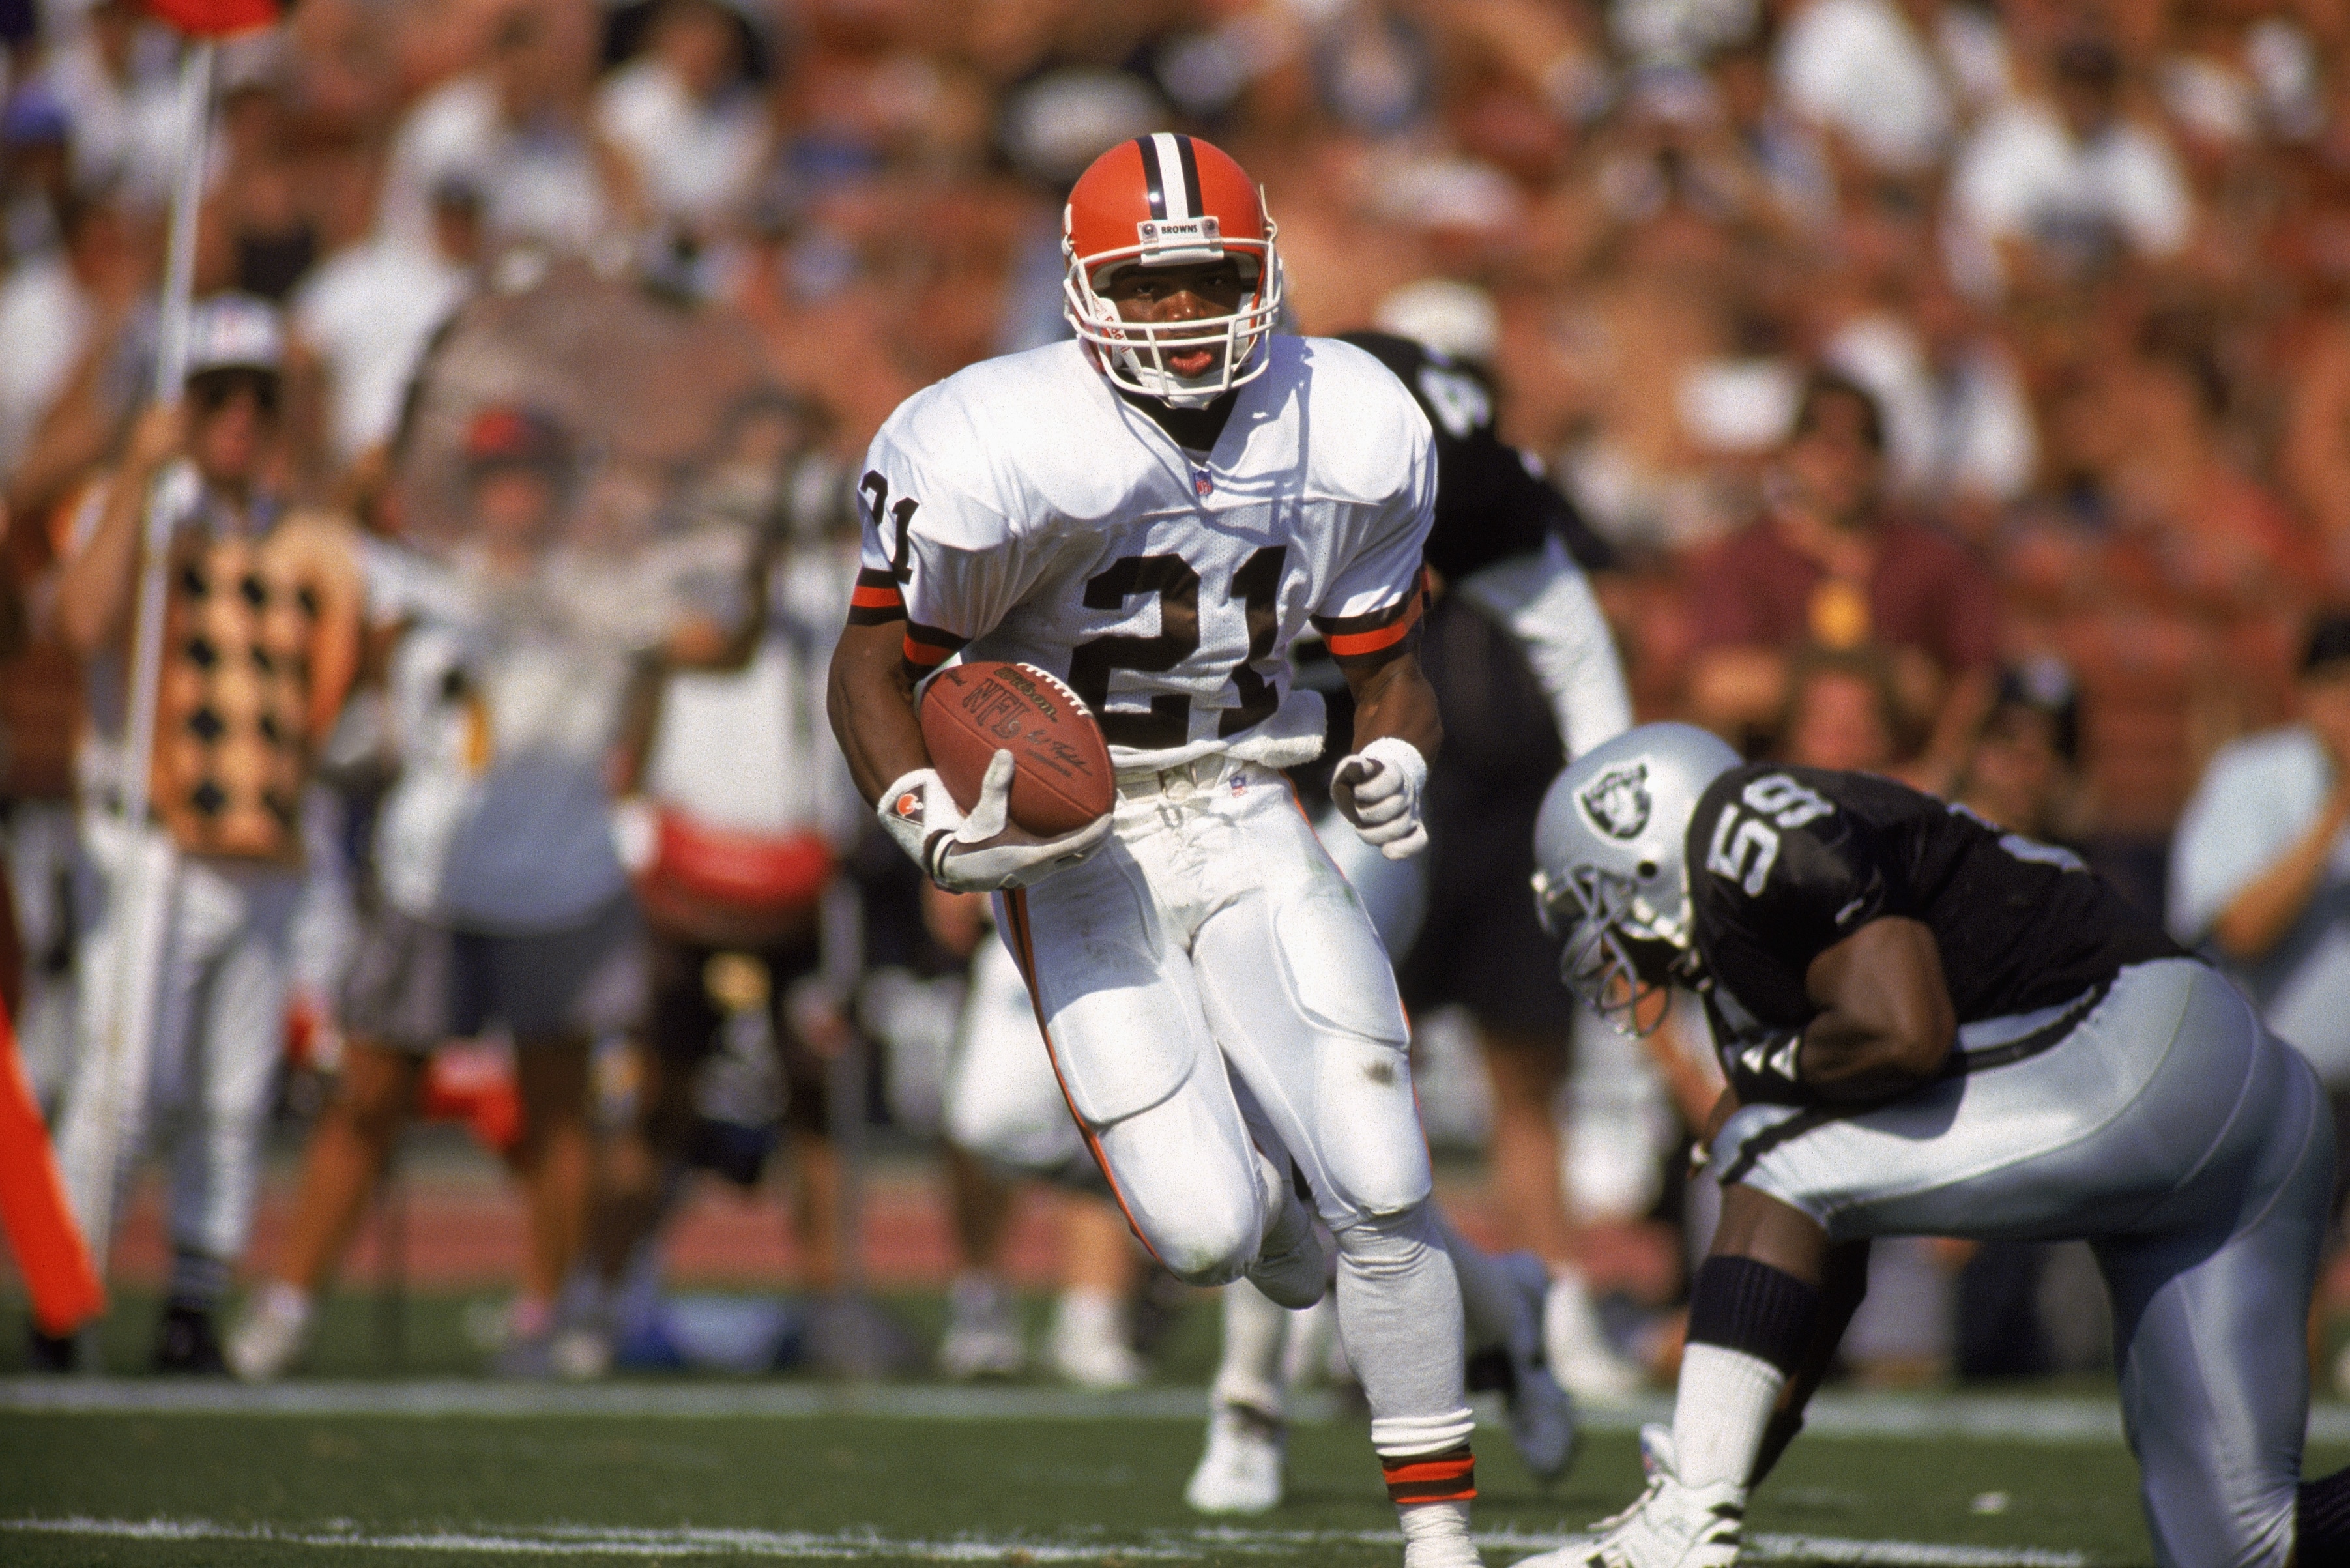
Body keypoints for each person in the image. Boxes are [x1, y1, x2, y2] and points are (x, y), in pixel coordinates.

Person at [826, 135, 1484, 1568]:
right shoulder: (994, 440)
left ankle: (1443, 1546)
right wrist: (930, 831)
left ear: (1262, 278)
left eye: (1208, 283)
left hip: (1248, 805)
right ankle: (1274, 1220)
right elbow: (874, 667)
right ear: (1084, 292)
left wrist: (1395, 754)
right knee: (1201, 1237)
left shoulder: (1354, 420)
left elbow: (1388, 669)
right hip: (1077, 842)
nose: (1185, 316)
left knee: (1383, 1162)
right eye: (1151, 285)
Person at [1517, 723, 2340, 1568]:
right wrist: (1726, 1462)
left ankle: (1676, 1529)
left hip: (2151, 1051)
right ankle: (1686, 1512)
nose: (1604, 942)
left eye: (1597, 901)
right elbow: (1820, 1250)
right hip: (2235, 1111)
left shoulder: (1748, 828)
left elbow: (1904, 1034)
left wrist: (1694, 1507)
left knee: (1766, 1140)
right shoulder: (1747, 956)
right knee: (2240, 1544)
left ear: (1645, 854)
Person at [1184, 321, 1630, 1517]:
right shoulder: (1120, 441)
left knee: (1294, 1102)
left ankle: (1250, 1405)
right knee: (1053, 1113)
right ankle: (1506, 1309)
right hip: (1184, 794)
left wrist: (1614, 835)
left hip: (1352, 805)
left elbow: (1570, 637)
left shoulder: (1418, 443)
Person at [226, 405, 650, 1380]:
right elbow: (338, 537)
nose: (513, 496)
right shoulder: (421, 581)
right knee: (367, 1091)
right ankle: (286, 1306)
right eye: (494, 475)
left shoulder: (600, 589)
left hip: (562, 884)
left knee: (558, 1110)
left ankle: (546, 1314)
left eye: (530, 475)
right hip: (433, 876)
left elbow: (713, 636)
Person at [46, 294, 364, 1372]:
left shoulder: (304, 537)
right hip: (154, 846)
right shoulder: (140, 518)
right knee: (126, 1084)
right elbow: (81, 624)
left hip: (264, 848)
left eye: (254, 402)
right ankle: (63, 1295)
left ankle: (193, 1304)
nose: (236, 421)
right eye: (214, 399)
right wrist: (138, 473)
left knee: (232, 1101)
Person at [2170, 611, 2350, 1384]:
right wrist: (2337, 809)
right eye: (2338, 688)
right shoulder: (2254, 775)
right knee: (2274, 1326)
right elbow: (2243, 928)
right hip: (2281, 1078)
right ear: (2305, 693)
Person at [1682, 370, 1999, 785]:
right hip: (1778, 793)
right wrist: (1880, 678)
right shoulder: (1747, 561)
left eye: (1861, 445)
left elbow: (1977, 680)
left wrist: (1937, 771)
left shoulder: (1933, 561)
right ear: (1791, 455)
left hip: (1902, 796)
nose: (1843, 464)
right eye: (1826, 447)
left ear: (1883, 459)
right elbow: (1717, 684)